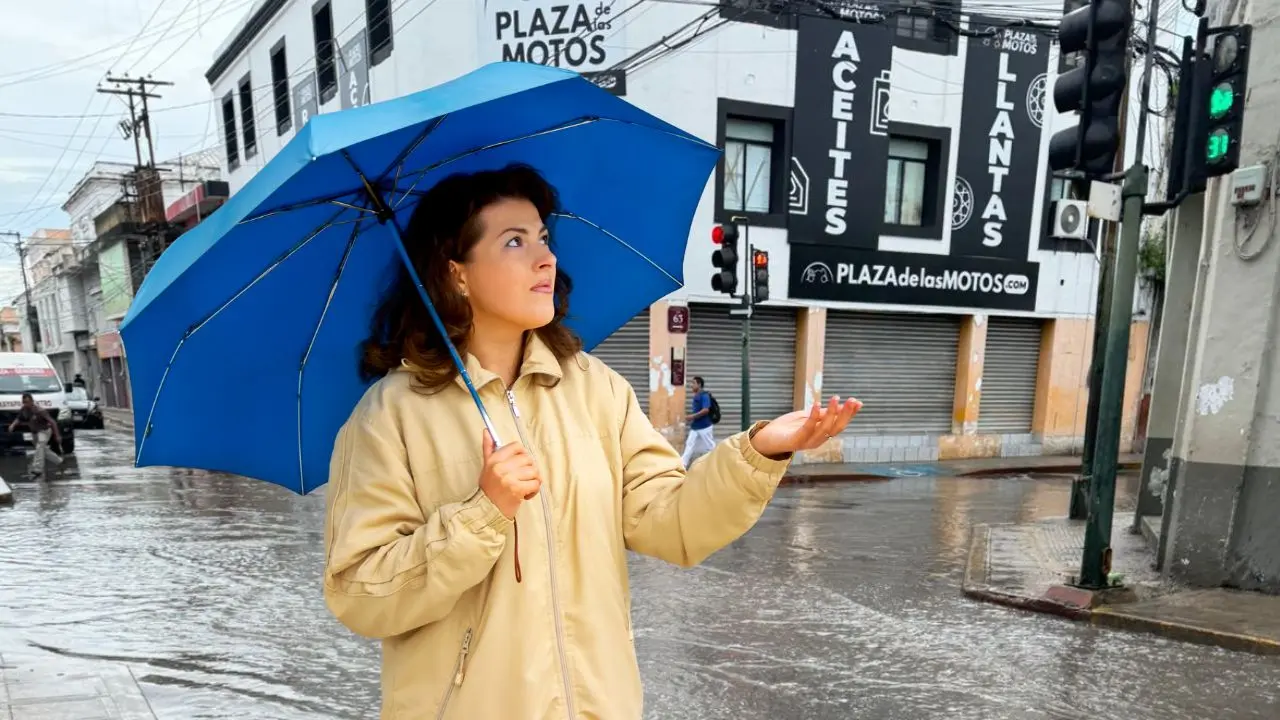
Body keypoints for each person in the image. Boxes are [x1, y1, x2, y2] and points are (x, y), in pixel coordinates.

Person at [322, 164, 861, 719]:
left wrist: (759, 451)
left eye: (544, 238)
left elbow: (670, 523)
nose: (545, 258)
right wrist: (482, 515)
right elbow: (361, 593)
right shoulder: (390, 416)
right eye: (514, 242)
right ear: (456, 273)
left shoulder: (595, 389)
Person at [8, 393, 62, 478]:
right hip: (35, 433)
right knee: (42, 449)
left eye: (28, 402)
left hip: (44, 431)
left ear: (32, 401)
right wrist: (12, 425)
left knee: (40, 447)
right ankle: (59, 461)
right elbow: (19, 418)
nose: (26, 404)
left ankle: (38, 469)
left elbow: (53, 422)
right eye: (24, 402)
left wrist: (57, 435)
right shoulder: (24, 410)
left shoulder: (40, 410)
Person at [681, 375, 716, 467]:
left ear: (699, 385)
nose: (691, 385)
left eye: (693, 383)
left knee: (710, 446)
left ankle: (717, 461)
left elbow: (705, 410)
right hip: (695, 426)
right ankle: (683, 464)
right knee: (689, 444)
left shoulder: (704, 395)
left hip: (705, 426)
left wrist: (692, 416)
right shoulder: (696, 395)